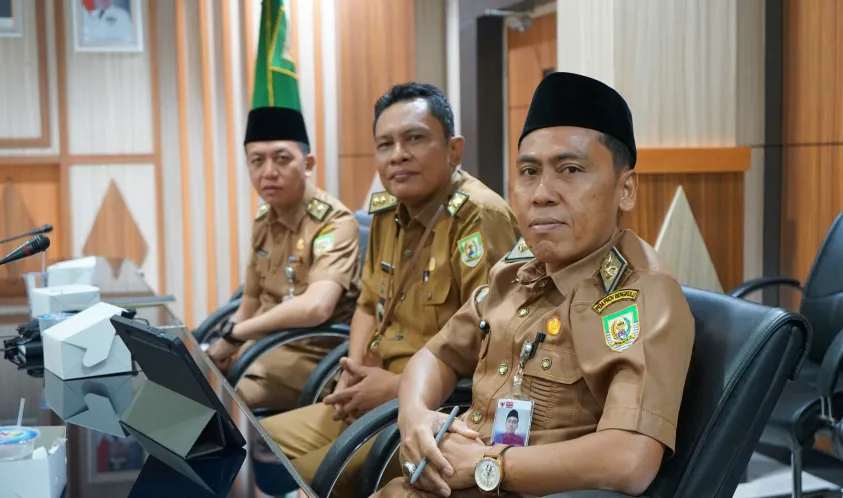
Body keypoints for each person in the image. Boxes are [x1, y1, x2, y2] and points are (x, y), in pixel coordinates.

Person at [377, 72, 696, 498]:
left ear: (626, 189)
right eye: (529, 171)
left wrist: (489, 464)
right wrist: (415, 416)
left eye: (570, 170)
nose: (541, 193)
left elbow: (629, 460)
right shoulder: (516, 270)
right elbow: (436, 355)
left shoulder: (638, 294)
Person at [261, 82, 521, 497]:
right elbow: (368, 304)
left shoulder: (480, 217)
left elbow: (494, 349)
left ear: (453, 150)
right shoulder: (386, 211)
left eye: (414, 138)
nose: (398, 154)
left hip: (437, 408)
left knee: (299, 480)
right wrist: (352, 369)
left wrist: (396, 386)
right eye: (385, 144)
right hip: (374, 393)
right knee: (253, 446)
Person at [207, 105, 361, 411]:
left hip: (302, 365)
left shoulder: (334, 222)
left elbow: (316, 307)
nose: (268, 172)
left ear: (307, 164)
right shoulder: (265, 219)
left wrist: (236, 336)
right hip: (256, 353)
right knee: (186, 383)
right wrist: (221, 345)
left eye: (281, 159)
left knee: (208, 406)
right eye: (257, 161)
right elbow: (250, 302)